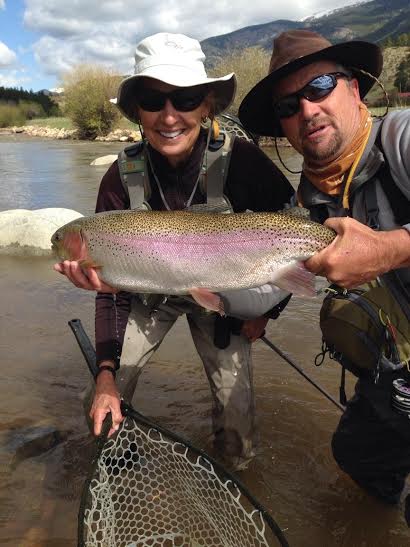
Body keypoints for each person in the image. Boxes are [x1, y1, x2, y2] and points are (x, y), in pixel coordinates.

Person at [54, 32, 294, 470]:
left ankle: (234, 475)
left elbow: (294, 235)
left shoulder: (243, 162)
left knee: (238, 430)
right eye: (152, 99)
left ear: (206, 106)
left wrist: (265, 312)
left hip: (224, 293)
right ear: (137, 111)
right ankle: (117, 464)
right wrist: (106, 370)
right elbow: (110, 292)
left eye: (185, 100)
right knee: (102, 402)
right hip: (147, 295)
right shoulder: (118, 179)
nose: (169, 116)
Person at [239, 29, 410, 505]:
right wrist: (261, 312)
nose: (307, 110)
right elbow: (293, 268)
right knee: (357, 455)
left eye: (319, 88)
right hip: (398, 368)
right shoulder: (312, 201)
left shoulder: (402, 140)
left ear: (354, 89)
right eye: (287, 106)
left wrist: (393, 247)